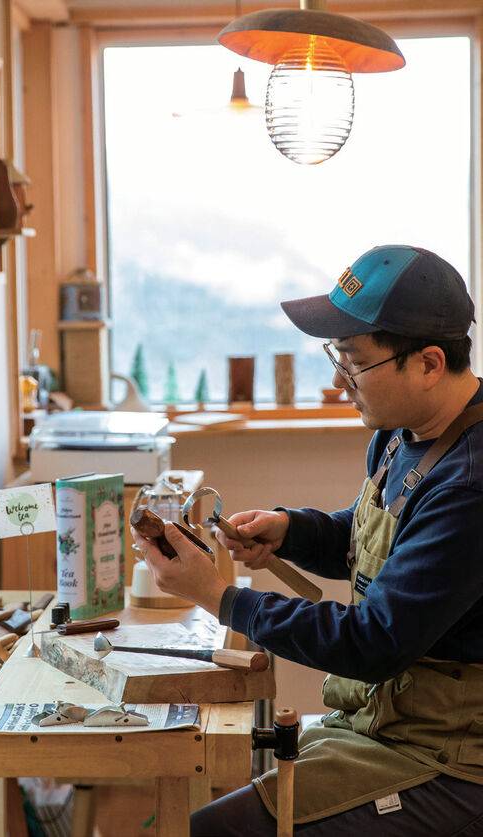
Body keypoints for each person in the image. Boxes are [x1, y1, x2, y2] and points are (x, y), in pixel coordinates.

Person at [132, 245, 483, 836]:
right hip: (385, 720)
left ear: (426, 363)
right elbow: (370, 536)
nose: (338, 380)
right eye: (335, 355)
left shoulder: (471, 483)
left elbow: (374, 642)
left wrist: (219, 597)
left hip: (450, 757)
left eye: (353, 361)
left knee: (217, 831)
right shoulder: (403, 435)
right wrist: (292, 530)